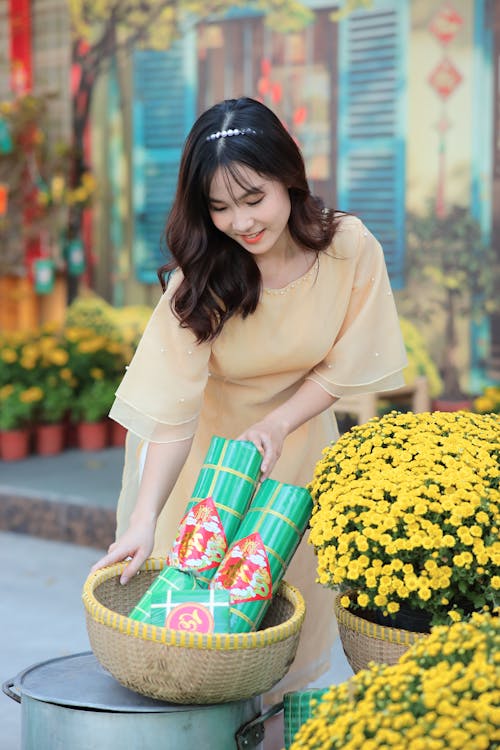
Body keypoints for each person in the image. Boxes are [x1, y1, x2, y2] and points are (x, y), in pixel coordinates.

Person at [93, 96, 407, 746]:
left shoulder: (349, 249)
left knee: (284, 628)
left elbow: (348, 365)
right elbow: (171, 418)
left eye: (253, 197)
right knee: (194, 633)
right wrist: (145, 518)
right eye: (219, 206)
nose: (240, 220)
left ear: (288, 176)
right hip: (202, 469)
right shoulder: (201, 278)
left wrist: (279, 423)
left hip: (294, 456)